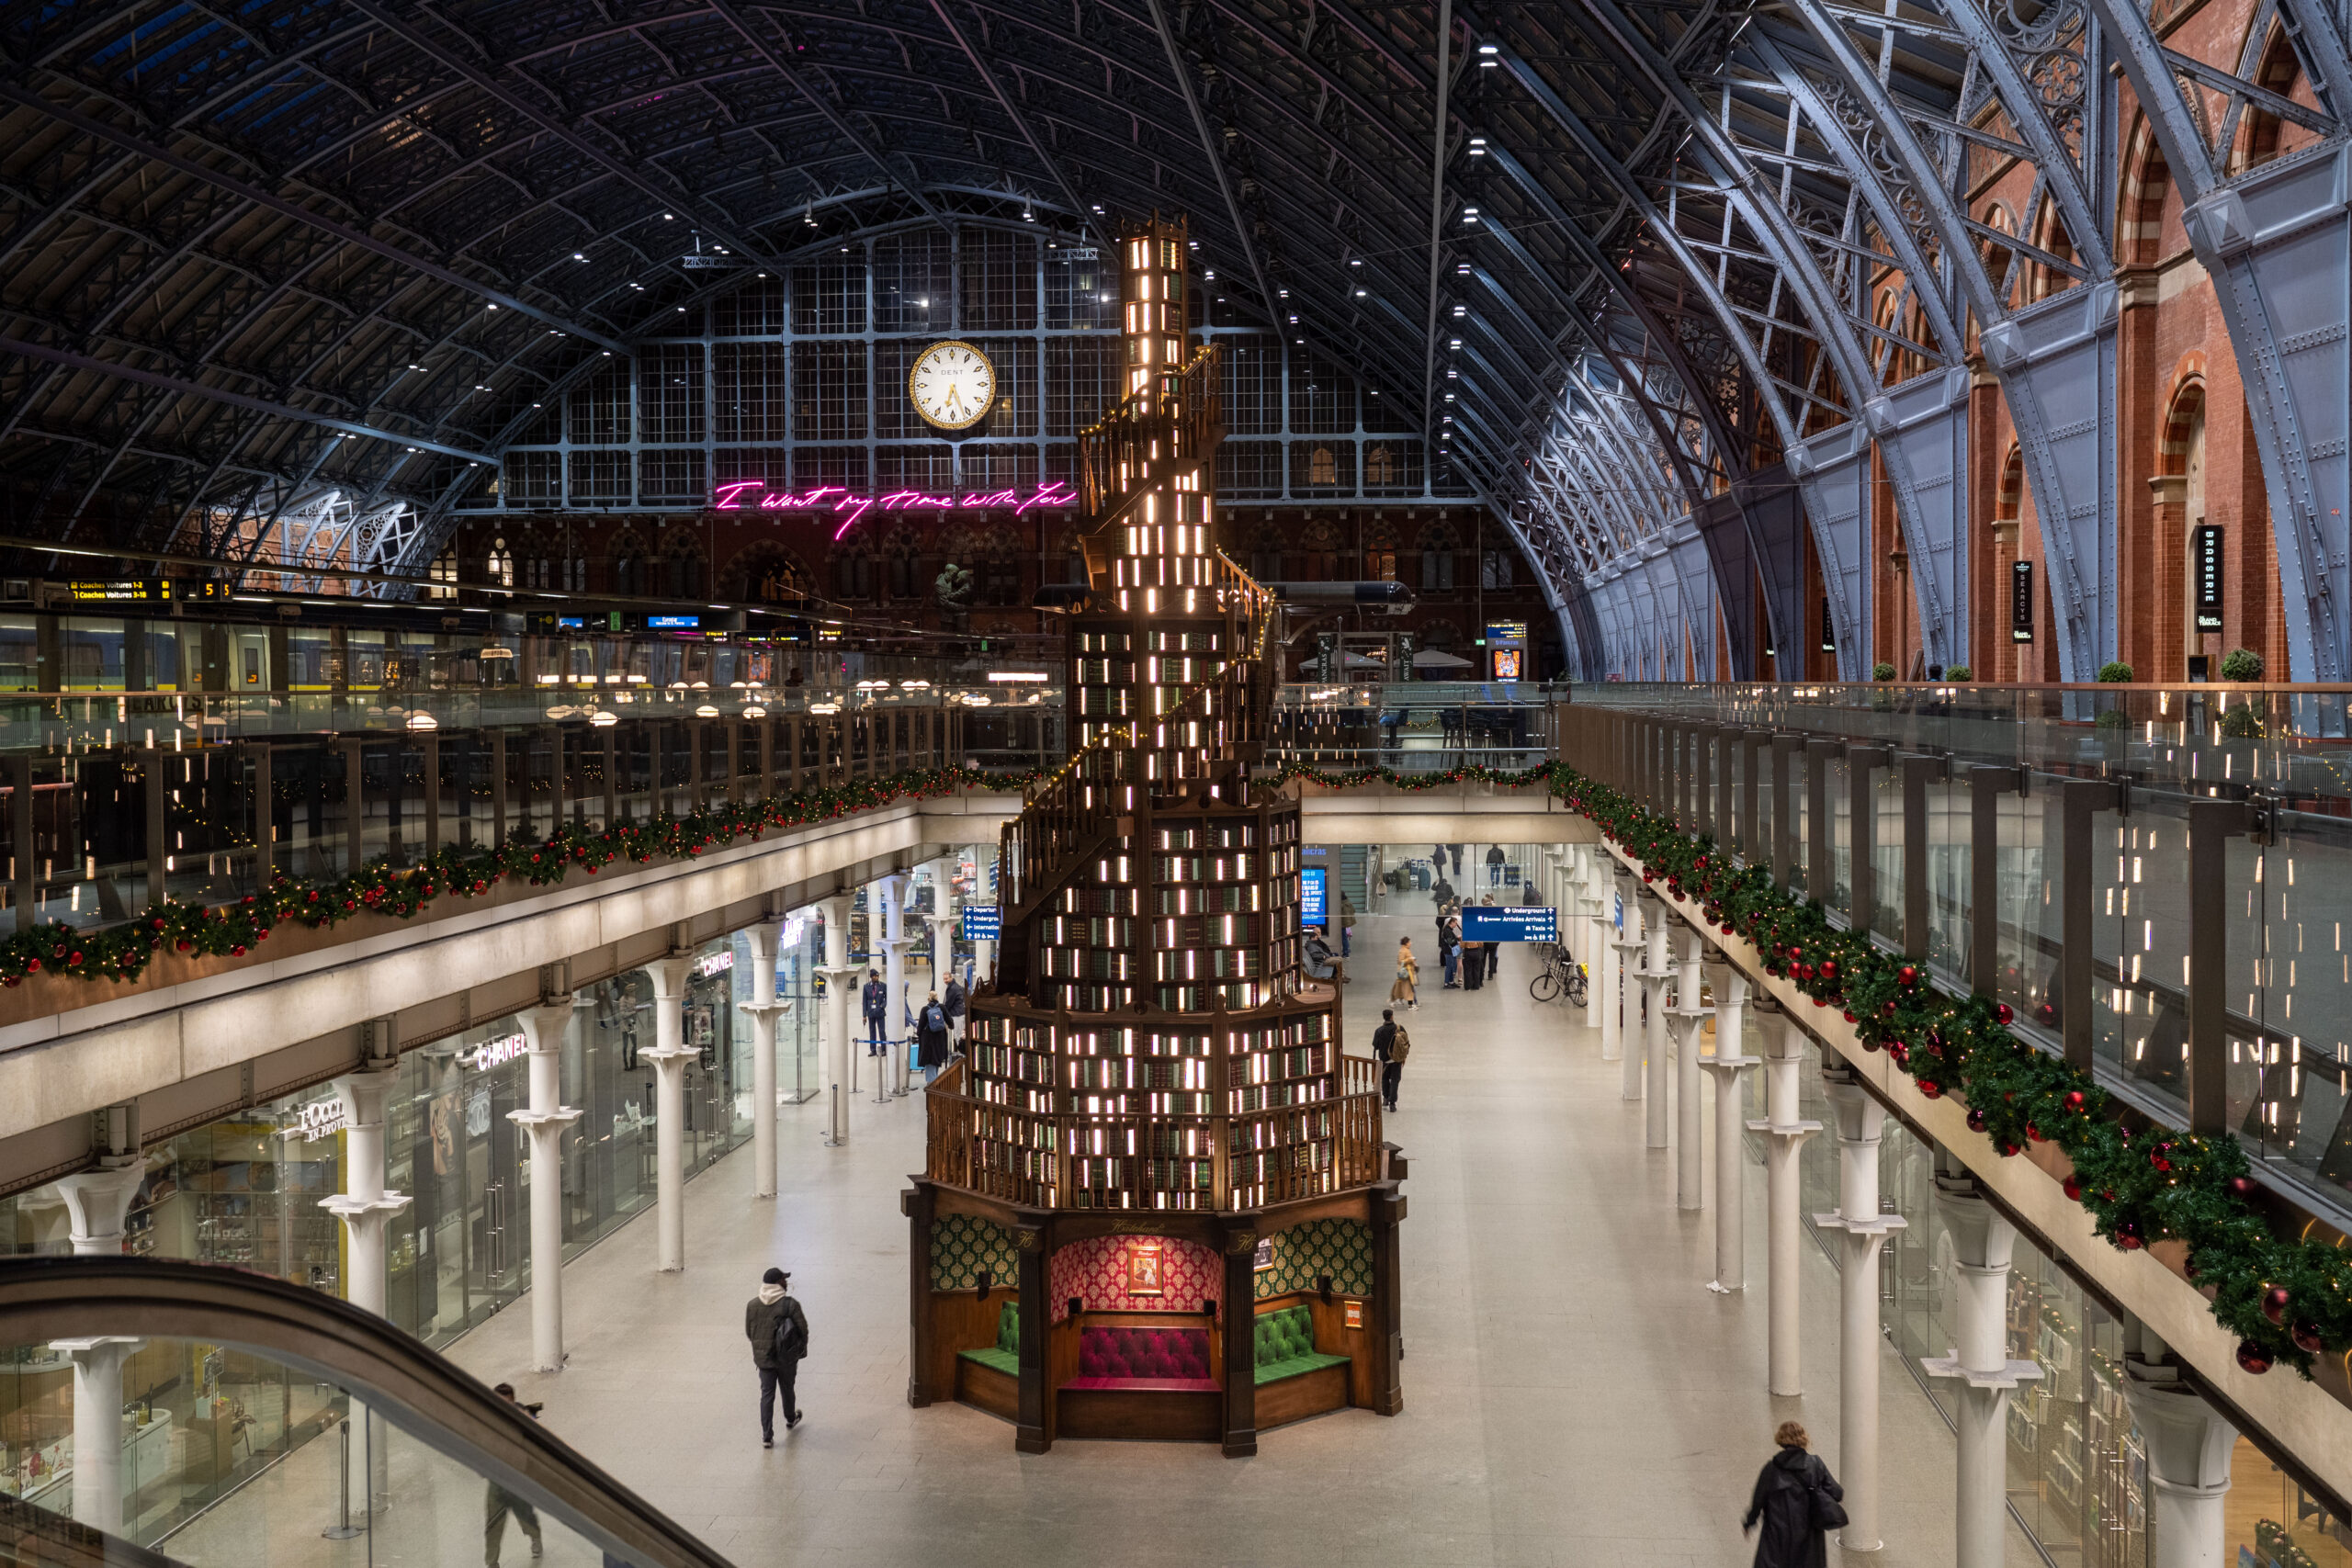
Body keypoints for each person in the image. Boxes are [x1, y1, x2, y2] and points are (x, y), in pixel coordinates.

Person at [1743, 1421, 1842, 1567]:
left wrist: (1749, 1523)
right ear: (1803, 1438)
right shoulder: (1815, 1464)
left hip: (1776, 1534)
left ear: (1781, 1439)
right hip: (1808, 1535)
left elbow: (1758, 1501)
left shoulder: (1771, 1468)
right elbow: (1837, 1493)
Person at [746, 1266, 810, 1447]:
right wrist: (800, 1349)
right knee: (787, 1388)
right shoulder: (790, 1305)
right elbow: (803, 1330)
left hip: (764, 1359)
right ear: (776, 1284)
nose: (786, 1282)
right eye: (783, 1279)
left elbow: (749, 1332)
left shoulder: (752, 1305)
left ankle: (767, 1436)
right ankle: (790, 1418)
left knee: (767, 1395)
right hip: (786, 1358)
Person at [485, 1383, 545, 1564]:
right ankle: (492, 1563)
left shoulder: (523, 1420)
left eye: (506, 1403)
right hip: (497, 1481)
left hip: (518, 1479)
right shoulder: (488, 1417)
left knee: (525, 1517)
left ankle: (535, 1538)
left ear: (513, 1402)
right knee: (493, 1526)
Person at [1371, 1008, 1406, 1111]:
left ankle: (1385, 1098)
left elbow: (1375, 1045)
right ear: (1392, 1016)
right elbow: (1405, 1043)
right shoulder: (1399, 1028)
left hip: (1384, 1060)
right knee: (1395, 1080)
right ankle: (1392, 1103)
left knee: (1385, 1079)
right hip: (1397, 1059)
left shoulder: (1379, 1031)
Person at [916, 991, 952, 1081]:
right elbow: (951, 1023)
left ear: (928, 998)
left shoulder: (924, 1009)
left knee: (930, 1063)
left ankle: (932, 1087)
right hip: (940, 1040)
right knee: (936, 1061)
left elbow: (919, 1028)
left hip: (928, 1041)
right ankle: (934, 1083)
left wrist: (919, 1034)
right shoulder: (942, 1008)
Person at [861, 968, 888, 1056]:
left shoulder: (883, 986)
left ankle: (884, 1049)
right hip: (871, 1013)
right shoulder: (866, 987)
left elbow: (888, 998)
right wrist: (864, 1015)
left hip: (880, 1012)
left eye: (878, 976)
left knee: (882, 1031)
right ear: (872, 977)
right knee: (872, 1031)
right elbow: (864, 1001)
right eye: (875, 976)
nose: (877, 977)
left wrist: (882, 1006)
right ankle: (873, 1050)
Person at [1390, 938, 1419, 1011]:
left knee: (1399, 987)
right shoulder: (1403, 951)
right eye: (1409, 942)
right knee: (1409, 989)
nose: (1411, 943)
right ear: (1406, 943)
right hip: (1406, 973)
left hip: (1407, 973)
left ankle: (1394, 999)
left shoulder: (1406, 950)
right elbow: (1400, 961)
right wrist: (1410, 959)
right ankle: (1410, 1005)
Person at [942, 971, 967, 1050]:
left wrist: (943, 1013)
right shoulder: (957, 986)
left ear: (951, 978)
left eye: (946, 979)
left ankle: (960, 1054)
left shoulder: (952, 989)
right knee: (962, 1035)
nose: (945, 981)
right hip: (962, 1014)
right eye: (944, 979)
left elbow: (948, 1004)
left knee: (958, 1037)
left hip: (957, 1016)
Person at [1480, 896, 1502, 984]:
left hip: (1484, 941)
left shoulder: (1482, 918)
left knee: (1483, 958)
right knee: (1492, 958)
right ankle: (1490, 975)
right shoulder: (1496, 918)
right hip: (1493, 942)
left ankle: (1481, 975)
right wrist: (1497, 943)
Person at [1438, 909, 1461, 988]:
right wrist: (1457, 940)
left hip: (1450, 951)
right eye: (1455, 923)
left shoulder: (1448, 930)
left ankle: (1451, 981)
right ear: (1452, 922)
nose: (1456, 925)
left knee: (1451, 967)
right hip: (1449, 951)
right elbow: (1450, 941)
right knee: (1449, 967)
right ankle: (1446, 983)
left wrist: (1456, 938)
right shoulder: (1447, 931)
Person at [1339, 894, 1357, 958]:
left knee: (1344, 937)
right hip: (1347, 922)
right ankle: (1347, 949)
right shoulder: (1348, 902)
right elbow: (1354, 910)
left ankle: (1346, 952)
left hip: (1342, 922)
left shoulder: (1341, 904)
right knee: (1345, 937)